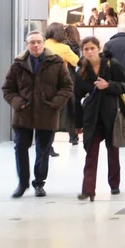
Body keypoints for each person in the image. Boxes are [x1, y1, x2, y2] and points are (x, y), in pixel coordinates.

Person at [2, 31, 73, 198]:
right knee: (20, 147)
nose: (35, 45)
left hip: (47, 113)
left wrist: (55, 103)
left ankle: (39, 183)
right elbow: (7, 89)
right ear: (27, 44)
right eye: (32, 42)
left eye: (38, 42)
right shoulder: (18, 64)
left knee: (43, 149)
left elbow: (67, 87)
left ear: (44, 44)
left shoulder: (56, 63)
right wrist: (18, 103)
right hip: (23, 113)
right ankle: (22, 183)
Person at [74, 37, 125, 201]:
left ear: (98, 48)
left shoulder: (112, 65)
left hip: (111, 115)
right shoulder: (81, 71)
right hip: (92, 118)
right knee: (90, 153)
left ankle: (115, 185)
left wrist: (109, 85)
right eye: (86, 49)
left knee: (113, 152)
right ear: (82, 52)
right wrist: (78, 124)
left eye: (92, 48)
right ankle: (88, 189)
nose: (89, 52)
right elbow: (76, 98)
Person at [44, 23, 80, 156]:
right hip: (59, 85)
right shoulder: (64, 48)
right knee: (58, 115)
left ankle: (46, 145)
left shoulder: (42, 45)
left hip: (43, 86)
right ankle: (52, 144)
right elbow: (77, 62)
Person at [63, 25, 82, 145]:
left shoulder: (64, 46)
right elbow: (77, 63)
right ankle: (73, 135)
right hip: (73, 78)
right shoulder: (76, 47)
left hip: (64, 76)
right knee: (73, 106)